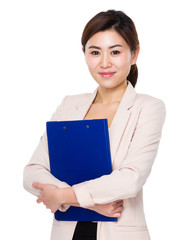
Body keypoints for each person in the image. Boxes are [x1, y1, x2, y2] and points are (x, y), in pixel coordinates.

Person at [23, 9, 166, 240]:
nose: (105, 63)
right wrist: (90, 205)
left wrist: (62, 196)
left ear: (134, 53)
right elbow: (32, 173)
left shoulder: (147, 108)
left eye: (115, 51)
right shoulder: (70, 105)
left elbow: (130, 179)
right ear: (84, 53)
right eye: (95, 52)